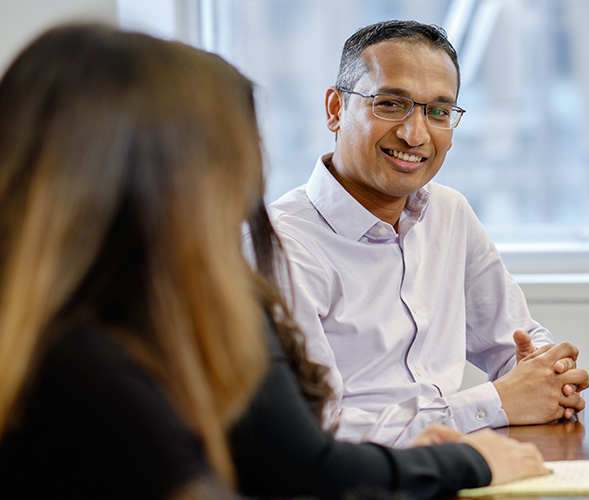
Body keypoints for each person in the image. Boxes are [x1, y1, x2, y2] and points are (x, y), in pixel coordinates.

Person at [0, 23, 547, 499]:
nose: (244, 186)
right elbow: (304, 462)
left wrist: (420, 460)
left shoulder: (99, 326)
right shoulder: (91, 360)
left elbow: (282, 463)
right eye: (227, 154)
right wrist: (468, 460)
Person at [268, 20, 589, 445]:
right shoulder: (279, 246)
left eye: (438, 112)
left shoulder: (449, 213)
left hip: (452, 465)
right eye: (390, 104)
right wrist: (497, 401)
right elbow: (312, 429)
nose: (415, 134)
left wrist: (550, 379)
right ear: (335, 109)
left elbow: (517, 343)